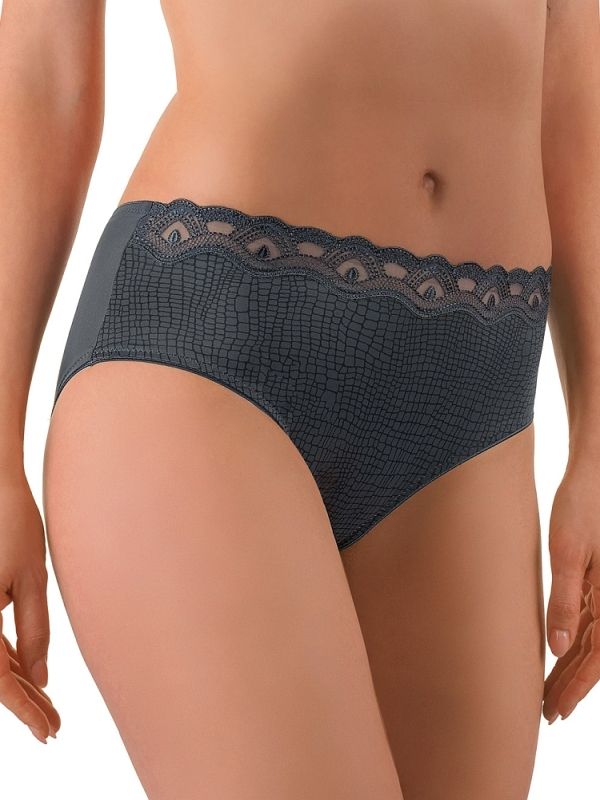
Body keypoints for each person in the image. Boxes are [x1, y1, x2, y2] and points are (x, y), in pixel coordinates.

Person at [0, 0, 598, 797]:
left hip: (478, 395)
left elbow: (576, 83)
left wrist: (596, 439)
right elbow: (42, 73)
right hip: (211, 341)